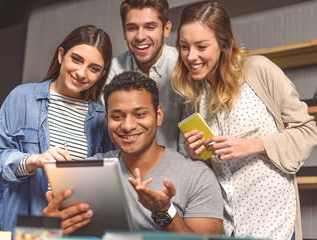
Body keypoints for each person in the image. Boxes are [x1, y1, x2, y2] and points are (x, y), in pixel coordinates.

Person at [171, 2, 317, 240]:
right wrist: (199, 155)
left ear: (224, 44)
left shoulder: (259, 70)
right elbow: (218, 167)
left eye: (201, 46)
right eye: (184, 47)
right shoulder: (196, 97)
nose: (191, 56)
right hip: (230, 226)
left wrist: (252, 145)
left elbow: (308, 130)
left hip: (275, 224)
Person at [43, 71, 224, 235]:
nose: (128, 126)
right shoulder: (87, 173)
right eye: (117, 116)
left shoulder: (198, 176)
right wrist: (49, 229)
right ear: (106, 119)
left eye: (139, 114)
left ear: (158, 115)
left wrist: (164, 211)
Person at [0, 25, 115, 233]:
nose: (81, 73)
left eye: (94, 68)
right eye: (77, 59)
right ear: (61, 54)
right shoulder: (22, 97)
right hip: (26, 226)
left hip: (74, 230)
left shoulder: (102, 118)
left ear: (102, 74)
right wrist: (35, 160)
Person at [105, 0, 184, 151]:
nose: (140, 36)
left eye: (150, 27)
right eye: (132, 28)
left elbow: (188, 141)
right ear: (124, 31)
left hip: (175, 168)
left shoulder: (184, 67)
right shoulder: (110, 72)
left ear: (166, 29)